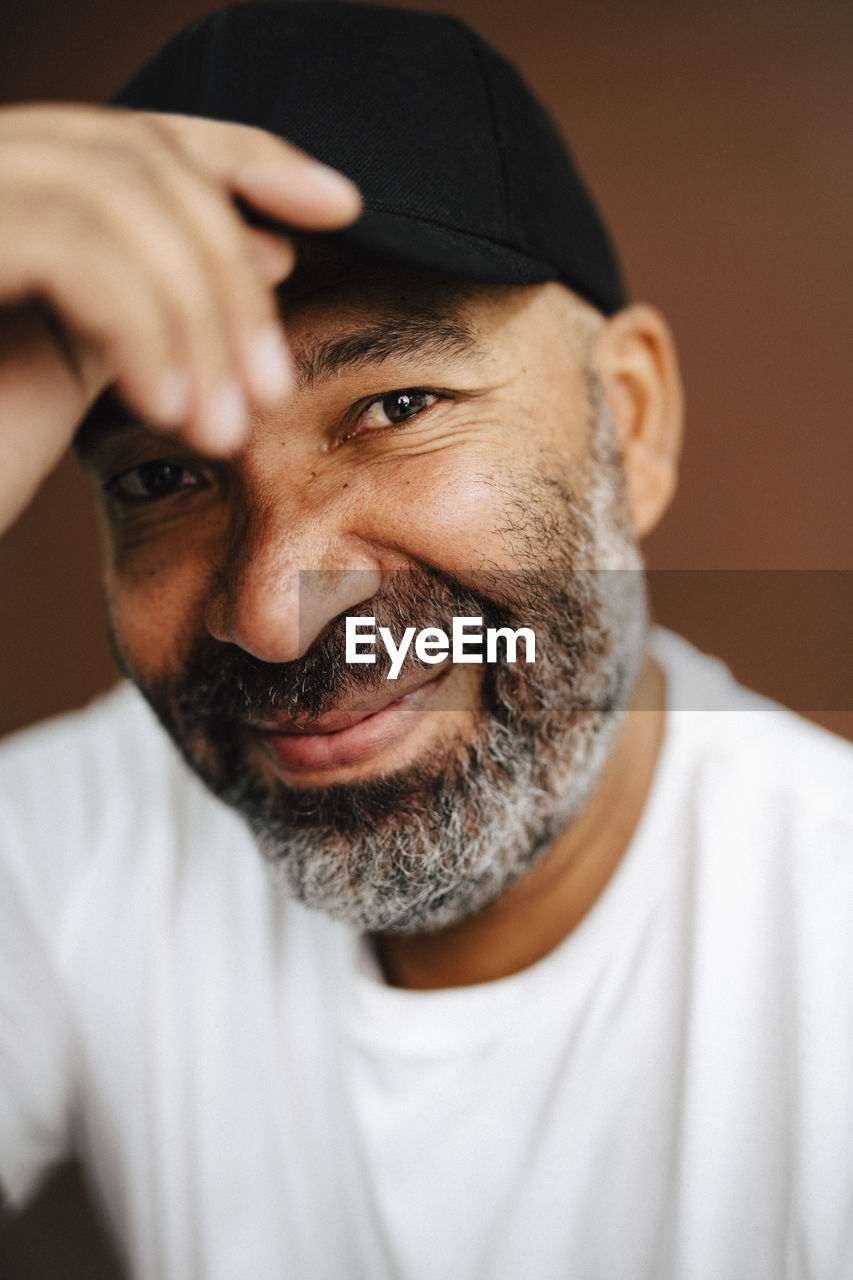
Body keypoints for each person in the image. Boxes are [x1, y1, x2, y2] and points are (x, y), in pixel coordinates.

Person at [0, 4, 851, 1277]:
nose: (274, 609)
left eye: (395, 407)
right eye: (162, 479)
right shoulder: (65, 840)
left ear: (629, 420)